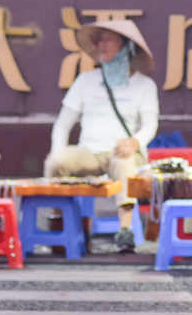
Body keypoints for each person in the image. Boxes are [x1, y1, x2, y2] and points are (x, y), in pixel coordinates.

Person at [45, 20, 159, 253]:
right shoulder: (85, 81)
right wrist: (58, 149)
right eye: (100, 39)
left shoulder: (144, 86)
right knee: (56, 162)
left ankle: (125, 231)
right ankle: (58, 222)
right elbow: (63, 124)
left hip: (124, 151)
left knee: (124, 162)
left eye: (108, 39)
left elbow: (150, 125)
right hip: (89, 151)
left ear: (126, 46)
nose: (101, 44)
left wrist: (134, 142)